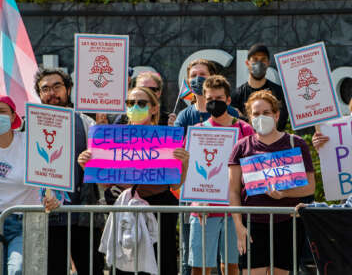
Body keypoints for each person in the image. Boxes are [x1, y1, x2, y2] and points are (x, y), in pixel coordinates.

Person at [78, 86, 189, 275]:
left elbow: (175, 184)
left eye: (141, 103)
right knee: (125, 267)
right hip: (125, 211)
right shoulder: (113, 138)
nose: (134, 107)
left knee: (161, 264)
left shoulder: (166, 139)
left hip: (159, 212)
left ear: (154, 108)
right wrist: (86, 165)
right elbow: (105, 182)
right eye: (130, 103)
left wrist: (184, 162)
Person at [228, 90, 315, 275]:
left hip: (287, 223)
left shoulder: (296, 143)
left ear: (276, 115)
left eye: (266, 113)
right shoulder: (241, 146)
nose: (261, 117)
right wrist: (238, 226)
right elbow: (233, 191)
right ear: (249, 117)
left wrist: (284, 193)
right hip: (253, 223)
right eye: (256, 113)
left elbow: (309, 186)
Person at [34, 68, 104, 275]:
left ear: (68, 89)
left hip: (82, 217)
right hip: (47, 218)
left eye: (57, 86)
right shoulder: (30, 126)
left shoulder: (87, 123)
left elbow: (102, 172)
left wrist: (91, 165)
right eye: (45, 89)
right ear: (39, 95)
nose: (51, 93)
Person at [173, 58, 239, 275]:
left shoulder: (239, 123)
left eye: (202, 74)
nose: (197, 79)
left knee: (229, 264)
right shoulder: (188, 119)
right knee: (196, 263)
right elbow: (178, 156)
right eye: (193, 75)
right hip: (199, 204)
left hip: (230, 205)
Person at [189, 76, 254, 275]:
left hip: (234, 210)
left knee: (232, 267)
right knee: (200, 268)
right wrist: (196, 198)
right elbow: (191, 171)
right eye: (209, 99)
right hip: (203, 211)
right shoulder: (197, 131)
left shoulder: (244, 129)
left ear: (227, 100)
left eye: (218, 98)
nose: (213, 103)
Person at [0, 95, 41, 275]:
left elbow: (49, 174)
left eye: (2, 112)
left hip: (21, 224)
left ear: (13, 116)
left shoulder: (29, 143)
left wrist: (51, 195)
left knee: (17, 270)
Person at [230, 43, 288, 131]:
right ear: (247, 63)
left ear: (268, 63)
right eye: (255, 59)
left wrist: (243, 119)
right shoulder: (237, 95)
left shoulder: (278, 92)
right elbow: (234, 126)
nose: (259, 63)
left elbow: (280, 124)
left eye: (263, 59)